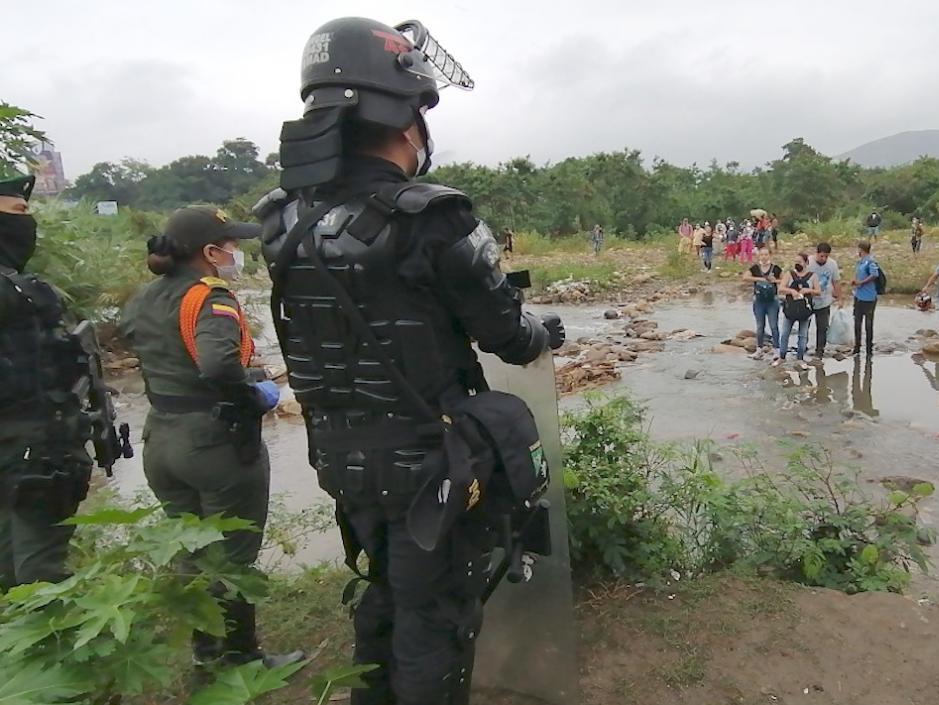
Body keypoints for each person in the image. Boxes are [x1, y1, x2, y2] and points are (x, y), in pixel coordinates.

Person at [256, 17, 565, 705]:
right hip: (431, 462)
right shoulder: (431, 216)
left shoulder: (278, 219)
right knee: (437, 618)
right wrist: (545, 330)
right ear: (405, 122)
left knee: (385, 594)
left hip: (340, 457)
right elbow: (508, 336)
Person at [119, 206, 302, 672]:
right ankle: (240, 657)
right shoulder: (211, 297)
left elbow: (138, 345)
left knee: (192, 548)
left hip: (161, 438)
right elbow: (218, 364)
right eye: (232, 245)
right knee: (232, 554)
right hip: (215, 441)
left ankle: (205, 651)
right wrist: (254, 387)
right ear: (209, 252)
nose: (236, 253)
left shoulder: (144, 297)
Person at [1, 173, 127, 590]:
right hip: (32, 452)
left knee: (13, 568)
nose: (29, 220)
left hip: (27, 449)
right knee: (41, 575)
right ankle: (47, 647)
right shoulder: (18, 293)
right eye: (18, 211)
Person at [774, 251, 819, 366]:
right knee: (784, 333)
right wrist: (791, 291)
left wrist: (808, 290)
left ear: (806, 263)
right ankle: (782, 357)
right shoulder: (789, 274)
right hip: (791, 309)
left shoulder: (812, 276)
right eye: (796, 262)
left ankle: (800, 358)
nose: (797, 264)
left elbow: (818, 291)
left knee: (803, 335)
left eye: (799, 262)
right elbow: (781, 289)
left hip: (805, 310)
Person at [742, 247, 781, 354]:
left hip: (772, 301)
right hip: (759, 302)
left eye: (766, 254)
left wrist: (775, 280)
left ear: (770, 255)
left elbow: (784, 280)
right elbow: (745, 277)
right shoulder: (755, 268)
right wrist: (759, 279)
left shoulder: (776, 268)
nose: (764, 257)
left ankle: (777, 349)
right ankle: (759, 349)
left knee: (774, 326)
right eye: (762, 255)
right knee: (760, 326)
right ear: (759, 256)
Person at [807, 242, 842, 360]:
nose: (824, 259)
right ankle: (802, 348)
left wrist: (839, 298)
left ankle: (819, 352)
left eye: (826, 256)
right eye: (821, 256)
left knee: (822, 327)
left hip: (824, 300)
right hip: (809, 299)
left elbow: (836, 281)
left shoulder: (832, 264)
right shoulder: (808, 262)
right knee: (804, 325)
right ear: (816, 253)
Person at [851, 240, 881, 356]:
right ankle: (857, 347)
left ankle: (869, 349)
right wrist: (855, 282)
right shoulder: (861, 262)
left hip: (869, 297)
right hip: (858, 296)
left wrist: (861, 282)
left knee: (868, 324)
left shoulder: (870, 261)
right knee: (857, 322)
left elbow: (875, 274)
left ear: (861, 249)